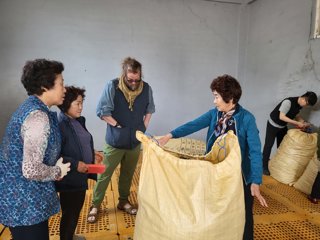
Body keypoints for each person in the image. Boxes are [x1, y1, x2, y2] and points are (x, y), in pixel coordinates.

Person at [158, 74, 268, 240]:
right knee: (213, 207)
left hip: (238, 175)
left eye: (216, 97)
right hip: (214, 170)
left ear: (229, 98)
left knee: (245, 211)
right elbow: (193, 125)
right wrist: (170, 135)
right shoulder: (214, 115)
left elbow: (254, 151)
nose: (214, 101)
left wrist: (255, 181)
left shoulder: (247, 119)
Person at [0, 59, 71, 240]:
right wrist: (56, 171)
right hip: (24, 204)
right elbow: (30, 169)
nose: (65, 89)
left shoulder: (34, 108)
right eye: (61, 84)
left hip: (23, 199)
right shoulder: (38, 117)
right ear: (45, 87)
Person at [87, 57, 155, 223]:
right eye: (130, 79)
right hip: (115, 142)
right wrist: (117, 126)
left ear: (140, 75)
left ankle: (123, 201)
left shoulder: (146, 88)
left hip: (134, 142)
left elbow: (150, 109)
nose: (133, 83)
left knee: (128, 174)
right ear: (124, 74)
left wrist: (144, 127)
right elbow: (102, 111)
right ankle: (95, 205)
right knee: (104, 174)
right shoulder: (112, 86)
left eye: (136, 80)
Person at [56, 86, 103, 240]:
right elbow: (55, 155)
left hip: (79, 177)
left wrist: (92, 151)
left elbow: (80, 141)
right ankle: (66, 237)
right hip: (70, 179)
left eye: (82, 103)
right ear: (66, 104)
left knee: (75, 210)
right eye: (77, 103)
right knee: (70, 212)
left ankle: (70, 235)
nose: (81, 107)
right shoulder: (60, 125)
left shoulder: (76, 121)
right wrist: (76, 163)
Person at [262, 91, 317, 176]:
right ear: (304, 99)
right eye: (307, 104)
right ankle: (263, 166)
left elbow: (296, 115)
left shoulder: (299, 105)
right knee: (268, 145)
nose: (306, 106)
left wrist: (303, 122)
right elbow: (282, 117)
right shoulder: (288, 102)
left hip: (282, 126)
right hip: (273, 124)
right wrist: (297, 123)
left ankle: (277, 165)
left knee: (283, 144)